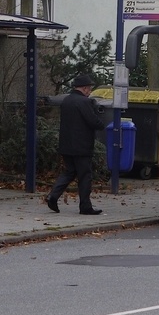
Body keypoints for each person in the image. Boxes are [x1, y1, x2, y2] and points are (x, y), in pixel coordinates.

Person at [46, 73, 105, 215]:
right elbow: (94, 122)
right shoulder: (84, 102)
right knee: (85, 175)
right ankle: (85, 206)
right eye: (89, 88)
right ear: (84, 89)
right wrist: (99, 116)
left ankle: (53, 196)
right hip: (82, 146)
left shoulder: (67, 101)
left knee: (69, 172)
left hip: (66, 145)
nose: (90, 91)